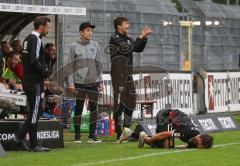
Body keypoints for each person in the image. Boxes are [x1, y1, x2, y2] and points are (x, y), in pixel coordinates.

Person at [109, 17, 152, 141]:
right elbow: (128, 48)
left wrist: (144, 38)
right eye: (126, 23)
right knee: (121, 104)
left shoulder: (128, 39)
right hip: (118, 74)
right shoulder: (115, 38)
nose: (128, 25)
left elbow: (138, 48)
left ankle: (126, 130)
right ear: (119, 27)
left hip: (128, 75)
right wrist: (140, 37)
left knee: (131, 102)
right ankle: (118, 132)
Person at [14, 16, 51, 152]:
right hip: (33, 81)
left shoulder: (28, 39)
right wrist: (44, 72)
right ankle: (34, 144)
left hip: (30, 80)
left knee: (38, 111)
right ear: (41, 26)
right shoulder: (35, 39)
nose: (48, 29)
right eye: (47, 26)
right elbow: (34, 60)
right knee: (35, 112)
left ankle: (20, 136)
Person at [68, 22, 103, 143]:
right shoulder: (73, 46)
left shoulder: (96, 45)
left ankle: (92, 135)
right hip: (79, 82)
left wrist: (101, 81)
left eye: (91, 31)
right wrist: (71, 83)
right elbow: (70, 66)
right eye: (87, 30)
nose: (90, 33)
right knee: (79, 108)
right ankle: (77, 136)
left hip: (94, 81)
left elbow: (98, 64)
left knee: (94, 108)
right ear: (81, 32)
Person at [118, 109, 213, 149]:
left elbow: (185, 146)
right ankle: (142, 136)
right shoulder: (188, 133)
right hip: (165, 116)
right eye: (201, 145)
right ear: (200, 139)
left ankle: (130, 133)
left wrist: (175, 148)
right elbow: (166, 134)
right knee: (165, 145)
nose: (199, 147)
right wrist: (150, 140)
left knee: (164, 146)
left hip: (170, 120)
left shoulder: (194, 138)